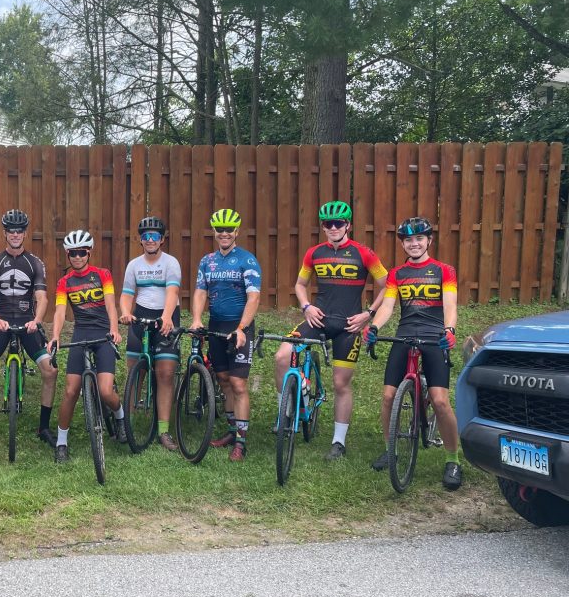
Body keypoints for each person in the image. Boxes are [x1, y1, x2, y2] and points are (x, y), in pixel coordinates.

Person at [275, 200, 388, 460]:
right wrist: (306, 307)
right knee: (281, 357)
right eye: (328, 224)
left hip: (349, 325)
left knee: (340, 383)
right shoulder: (314, 253)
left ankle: (338, 441)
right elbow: (300, 284)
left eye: (339, 223)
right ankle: (287, 411)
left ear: (348, 225)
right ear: (323, 226)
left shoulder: (364, 253)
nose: (333, 227)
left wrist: (369, 314)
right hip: (318, 319)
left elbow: (386, 285)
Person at [364, 217, 462, 489]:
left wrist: (449, 330)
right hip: (405, 334)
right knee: (387, 396)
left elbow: (450, 304)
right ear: (403, 244)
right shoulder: (396, 274)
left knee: (440, 401)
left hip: (434, 337)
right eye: (408, 239)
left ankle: (453, 460)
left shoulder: (445, 270)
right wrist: (374, 326)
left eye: (419, 238)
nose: (414, 243)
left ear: (429, 240)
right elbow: (387, 307)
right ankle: (391, 449)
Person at [0, 209, 59, 451]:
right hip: (1, 324)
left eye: (19, 231)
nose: (15, 235)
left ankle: (43, 427)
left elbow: (42, 298)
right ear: (5, 233)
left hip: (27, 324)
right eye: (11, 230)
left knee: (50, 371)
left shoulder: (35, 263)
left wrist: (37, 321)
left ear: (25, 233)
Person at [189, 209, 261, 461]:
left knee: (239, 383)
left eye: (229, 229)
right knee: (223, 379)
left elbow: (254, 297)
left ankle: (241, 442)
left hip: (239, 326)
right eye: (220, 229)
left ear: (237, 231)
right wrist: (197, 319)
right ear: (214, 231)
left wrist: (241, 328)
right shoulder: (207, 261)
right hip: (216, 324)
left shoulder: (247, 260)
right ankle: (232, 431)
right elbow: (200, 291)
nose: (224, 234)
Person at [48, 229, 126, 463]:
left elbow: (111, 305)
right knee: (71, 390)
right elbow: (60, 311)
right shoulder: (65, 282)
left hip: (103, 333)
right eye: (73, 253)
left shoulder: (102, 274)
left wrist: (114, 329)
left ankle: (120, 417)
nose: (77, 257)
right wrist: (55, 336)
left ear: (89, 252)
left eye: (82, 252)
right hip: (81, 333)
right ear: (67, 255)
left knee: (105, 391)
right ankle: (61, 442)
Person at [119, 216, 182, 451]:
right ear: (141, 240)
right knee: (135, 373)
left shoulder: (171, 262)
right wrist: (126, 312)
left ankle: (164, 431)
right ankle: (128, 423)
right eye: (145, 236)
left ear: (162, 239)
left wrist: (166, 316)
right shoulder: (134, 265)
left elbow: (173, 291)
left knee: (165, 374)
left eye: (154, 236)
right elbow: (126, 294)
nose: (150, 240)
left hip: (166, 316)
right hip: (141, 316)